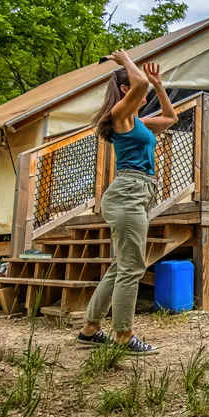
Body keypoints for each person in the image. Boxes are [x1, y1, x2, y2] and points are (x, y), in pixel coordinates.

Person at [77, 50, 178, 355]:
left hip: (136, 193)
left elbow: (171, 117)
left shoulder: (140, 123)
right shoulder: (118, 117)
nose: (143, 89)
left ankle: (90, 329)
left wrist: (159, 85)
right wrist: (126, 62)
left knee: (120, 266)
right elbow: (139, 85)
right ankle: (124, 334)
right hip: (128, 193)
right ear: (125, 91)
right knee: (132, 267)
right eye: (138, 86)